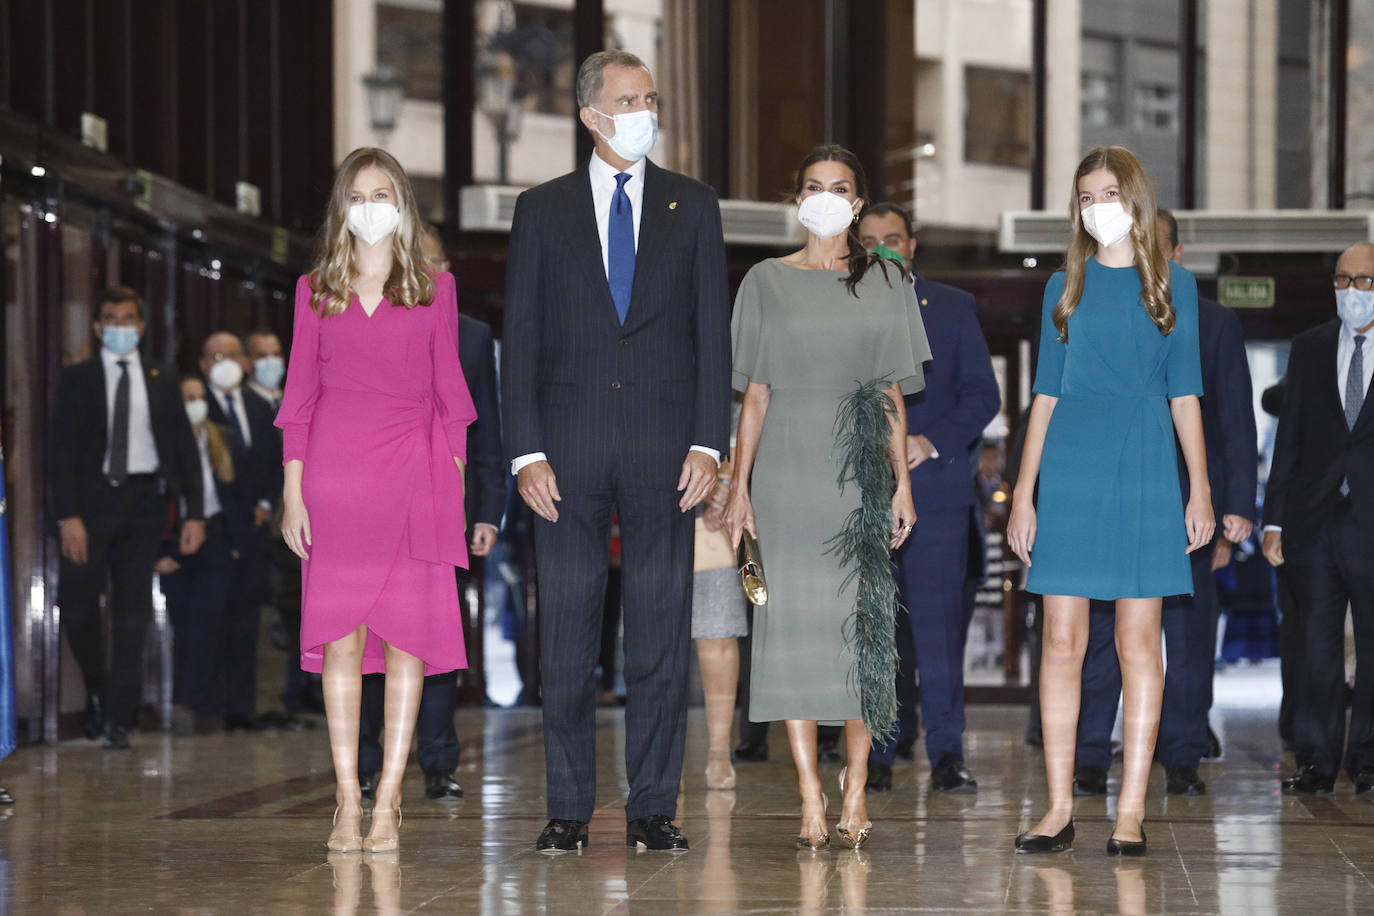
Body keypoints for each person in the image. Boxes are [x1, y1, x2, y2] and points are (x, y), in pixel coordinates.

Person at [501, 49, 731, 853]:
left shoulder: (693, 206)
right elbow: (520, 338)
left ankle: (653, 807)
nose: (645, 111)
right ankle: (568, 805)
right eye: (628, 99)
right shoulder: (541, 209)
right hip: (563, 456)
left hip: (669, 452)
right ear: (590, 114)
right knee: (566, 630)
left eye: (651, 98)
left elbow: (712, 336)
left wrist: (711, 441)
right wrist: (524, 452)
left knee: (661, 633)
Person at [1007, 146, 1212, 857]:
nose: (1098, 205)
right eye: (1086, 195)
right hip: (1071, 468)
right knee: (1062, 641)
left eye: (1109, 192)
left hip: (1148, 466)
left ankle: (1129, 810)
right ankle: (1060, 805)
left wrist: (1201, 491)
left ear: (1136, 198)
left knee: (1136, 644)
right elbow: (1046, 394)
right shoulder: (1063, 285)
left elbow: (1185, 394)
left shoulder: (1175, 286)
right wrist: (1023, 494)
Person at [725, 144, 931, 850]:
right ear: (797, 197)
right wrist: (738, 489)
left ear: (858, 199)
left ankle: (856, 782)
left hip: (858, 482)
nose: (825, 197)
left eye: (839, 187)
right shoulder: (763, 281)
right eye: (813, 186)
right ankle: (810, 793)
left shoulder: (886, 281)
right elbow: (753, 395)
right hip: (783, 479)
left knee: (861, 630)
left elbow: (890, 393)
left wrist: (902, 482)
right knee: (790, 635)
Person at [276, 147, 476, 853]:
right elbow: (298, 397)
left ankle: (390, 798)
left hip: (414, 479)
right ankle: (346, 802)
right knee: (340, 642)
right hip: (334, 484)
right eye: (357, 195)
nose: (370, 206)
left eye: (382, 193)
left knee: (406, 647)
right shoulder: (313, 291)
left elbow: (453, 398)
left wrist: (454, 487)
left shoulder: (435, 290)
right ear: (341, 207)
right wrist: (292, 493)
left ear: (403, 203)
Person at [1072, 209, 1257, 798]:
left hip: (1188, 509)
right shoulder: (1088, 304)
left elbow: (1232, 418)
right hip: (1112, 499)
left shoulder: (1214, 321)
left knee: (1188, 632)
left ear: (1175, 256)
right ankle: (1090, 755)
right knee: (1103, 634)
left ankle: (1182, 752)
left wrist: (1232, 510)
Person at [856, 201, 1000, 794]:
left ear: (912, 246)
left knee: (938, 634)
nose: (883, 249)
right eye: (870, 240)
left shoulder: (952, 307)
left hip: (936, 498)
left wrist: (928, 441)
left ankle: (946, 752)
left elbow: (982, 396)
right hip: (861, 498)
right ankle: (880, 752)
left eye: (893, 239)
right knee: (875, 632)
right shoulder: (839, 304)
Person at [358, 227, 505, 804]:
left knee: (436, 641)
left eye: (430, 258)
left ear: (446, 269)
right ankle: (369, 761)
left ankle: (438, 762)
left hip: (448, 510)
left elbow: (487, 429)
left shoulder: (471, 337)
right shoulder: (365, 324)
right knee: (372, 640)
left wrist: (489, 509)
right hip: (376, 510)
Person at [47, 285, 206, 750]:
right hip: (91, 506)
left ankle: (119, 717)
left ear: (140, 326)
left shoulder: (161, 377)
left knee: (132, 613)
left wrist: (195, 513)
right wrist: (68, 515)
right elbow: (60, 452)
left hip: (143, 503)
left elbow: (183, 450)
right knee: (76, 607)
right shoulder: (76, 378)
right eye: (110, 320)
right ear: (99, 328)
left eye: (127, 320)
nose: (119, 328)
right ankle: (98, 689)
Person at [1264, 241, 1374, 796]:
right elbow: (1290, 439)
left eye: (1364, 281)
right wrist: (1274, 520)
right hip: (1314, 523)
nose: (1352, 291)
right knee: (1316, 645)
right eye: (1343, 280)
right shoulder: (1309, 348)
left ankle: (1369, 762)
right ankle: (1317, 759)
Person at [160, 376, 255, 734]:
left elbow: (242, 494)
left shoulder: (223, 439)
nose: (195, 403)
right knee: (185, 626)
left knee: (208, 623)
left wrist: (236, 542)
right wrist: (158, 551)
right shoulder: (161, 441)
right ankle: (205, 704)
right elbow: (153, 499)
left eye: (200, 397)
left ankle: (189, 703)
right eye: (188, 397)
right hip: (174, 544)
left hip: (216, 541)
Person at [201, 331, 282, 731]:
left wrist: (266, 505)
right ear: (204, 364)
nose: (227, 361)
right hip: (217, 533)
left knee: (249, 623)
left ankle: (242, 709)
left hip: (255, 529)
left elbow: (273, 463)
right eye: (218, 355)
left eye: (234, 355)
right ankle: (210, 706)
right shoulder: (199, 406)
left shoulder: (259, 406)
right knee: (214, 620)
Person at [246, 329, 286, 408]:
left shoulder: (292, 400)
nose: (271, 361)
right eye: (262, 356)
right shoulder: (242, 403)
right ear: (247, 362)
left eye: (276, 354)